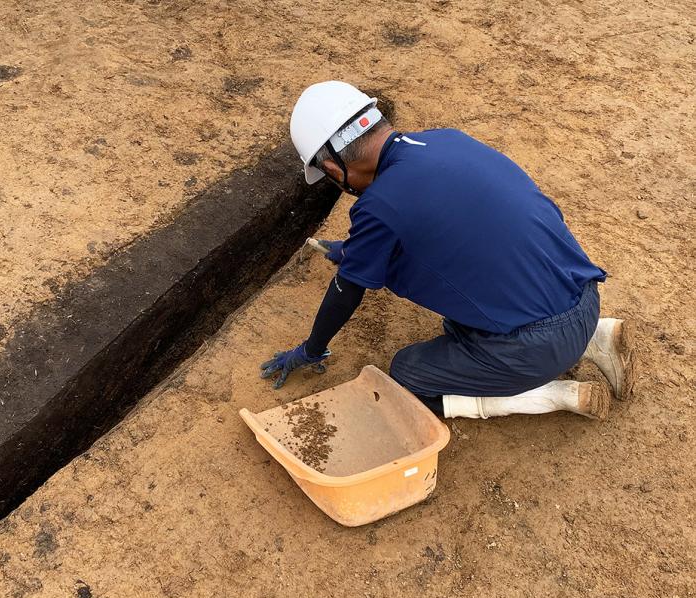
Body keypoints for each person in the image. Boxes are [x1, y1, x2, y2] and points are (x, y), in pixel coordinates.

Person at [260, 81, 636, 420]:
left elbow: (346, 293)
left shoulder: (379, 206)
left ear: (331, 165)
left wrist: (310, 350)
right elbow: (456, 227)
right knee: (462, 310)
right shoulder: (448, 140)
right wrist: (354, 250)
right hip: (584, 297)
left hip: (541, 343)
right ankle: (593, 338)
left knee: (408, 373)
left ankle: (549, 394)